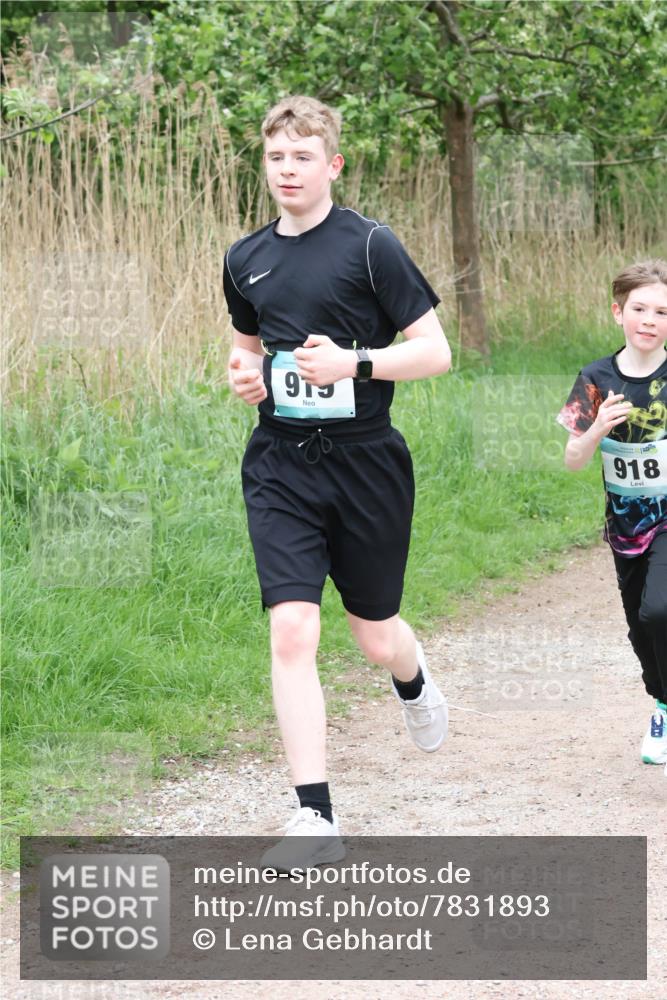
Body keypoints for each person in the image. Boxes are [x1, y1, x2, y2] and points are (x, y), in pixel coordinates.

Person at [223, 95, 451, 868]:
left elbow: (435, 352)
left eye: (302, 157)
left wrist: (354, 363)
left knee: (373, 634)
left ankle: (412, 677)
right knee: (292, 629)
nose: (287, 170)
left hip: (365, 463)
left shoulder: (370, 246)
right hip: (280, 463)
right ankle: (314, 816)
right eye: (275, 157)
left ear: (332, 165)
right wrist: (245, 378)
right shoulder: (244, 257)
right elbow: (245, 352)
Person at [557, 259, 667, 775]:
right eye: (640, 309)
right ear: (617, 312)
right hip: (626, 528)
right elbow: (573, 459)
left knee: (659, 611)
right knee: (640, 627)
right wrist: (598, 426)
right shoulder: (595, 378)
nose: (650, 320)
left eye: (662, 312)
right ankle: (661, 703)